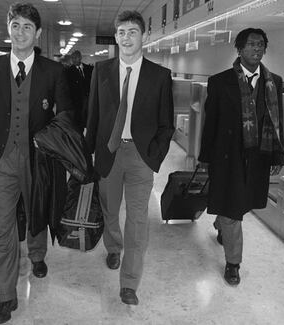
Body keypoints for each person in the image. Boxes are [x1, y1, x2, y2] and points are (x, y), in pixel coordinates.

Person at [0, 3, 73, 324]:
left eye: (27, 27)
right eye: (15, 25)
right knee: (2, 230)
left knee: (37, 213)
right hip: (2, 160)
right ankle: (7, 297)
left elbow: (64, 118)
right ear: (9, 28)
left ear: (38, 34)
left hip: (38, 159)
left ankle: (37, 255)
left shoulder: (54, 71)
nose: (20, 33)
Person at [85, 10, 174, 305]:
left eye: (132, 32)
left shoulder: (160, 76)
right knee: (109, 210)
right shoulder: (101, 71)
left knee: (137, 221)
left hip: (140, 157)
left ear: (143, 36)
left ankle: (129, 283)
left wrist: (154, 157)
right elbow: (93, 116)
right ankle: (113, 247)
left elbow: (166, 123)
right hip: (108, 152)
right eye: (121, 32)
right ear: (116, 37)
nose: (126, 37)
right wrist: (89, 154)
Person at [198, 28, 284, 286]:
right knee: (233, 209)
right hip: (227, 156)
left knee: (241, 204)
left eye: (260, 45)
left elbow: (277, 119)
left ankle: (221, 223)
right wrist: (205, 157)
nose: (256, 49)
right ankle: (233, 263)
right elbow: (210, 122)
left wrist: (277, 154)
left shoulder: (274, 82)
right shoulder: (219, 81)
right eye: (250, 45)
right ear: (239, 49)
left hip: (257, 156)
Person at [67, 50, 93, 133]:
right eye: (72, 58)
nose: (74, 60)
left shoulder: (90, 69)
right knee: (78, 122)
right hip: (76, 101)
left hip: (88, 99)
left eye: (76, 57)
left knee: (89, 119)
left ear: (80, 58)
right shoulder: (68, 72)